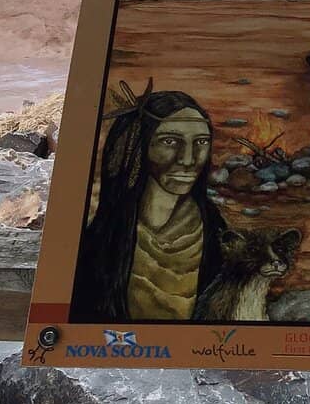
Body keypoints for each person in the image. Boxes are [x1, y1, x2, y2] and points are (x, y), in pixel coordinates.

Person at [69, 83, 226, 322]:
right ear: (138, 146)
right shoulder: (104, 242)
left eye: (201, 142)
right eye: (170, 141)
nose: (188, 159)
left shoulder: (216, 232)